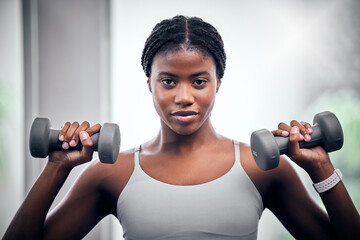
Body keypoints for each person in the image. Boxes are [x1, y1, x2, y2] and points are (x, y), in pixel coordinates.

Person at [4, 15, 360, 240]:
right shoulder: (112, 173)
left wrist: (321, 168)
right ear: (150, 84)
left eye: (200, 82)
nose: (184, 97)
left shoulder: (262, 169)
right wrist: (56, 167)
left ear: (218, 83)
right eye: (169, 81)